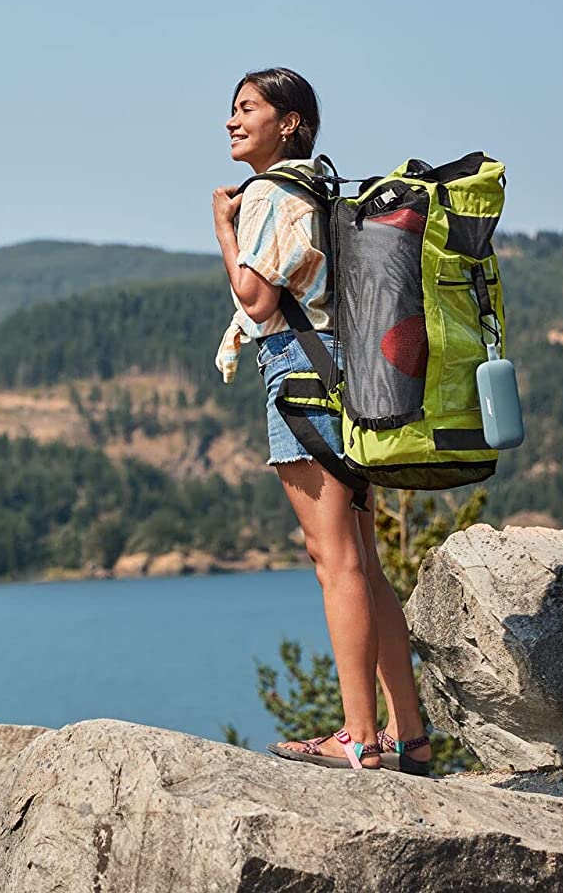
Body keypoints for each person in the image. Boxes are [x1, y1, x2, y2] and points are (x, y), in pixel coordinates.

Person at [211, 67, 432, 774]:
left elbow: (254, 297)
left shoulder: (272, 193)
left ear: (291, 123)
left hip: (301, 377)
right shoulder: (316, 187)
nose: (231, 121)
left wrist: (223, 228)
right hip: (342, 375)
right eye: (231, 110)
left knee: (333, 561)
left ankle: (359, 738)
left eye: (247, 109)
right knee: (362, 562)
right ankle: (408, 735)